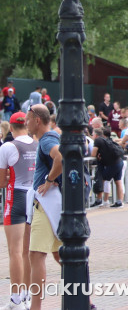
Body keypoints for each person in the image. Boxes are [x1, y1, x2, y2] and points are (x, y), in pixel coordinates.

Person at [25, 104, 62, 310]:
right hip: (54, 204)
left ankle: (35, 307)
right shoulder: (52, 137)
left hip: (46, 204)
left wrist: (48, 180)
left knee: (36, 255)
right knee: (60, 255)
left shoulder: (47, 139)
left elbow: (60, 157)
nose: (27, 125)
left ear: (37, 120)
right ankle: (86, 299)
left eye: (28, 120)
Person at [0, 111, 36, 310]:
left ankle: (15, 299)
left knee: (14, 251)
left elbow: (1, 181)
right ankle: (27, 295)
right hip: (32, 198)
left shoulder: (8, 146)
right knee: (27, 251)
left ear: (11, 128)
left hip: (15, 198)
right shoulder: (36, 143)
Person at [90, 126, 125, 208]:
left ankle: (99, 200)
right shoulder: (108, 140)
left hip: (112, 164)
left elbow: (93, 154)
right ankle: (120, 201)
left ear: (96, 135)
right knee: (118, 181)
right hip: (119, 161)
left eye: (92, 134)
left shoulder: (98, 140)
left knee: (102, 179)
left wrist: (97, 155)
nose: (92, 135)